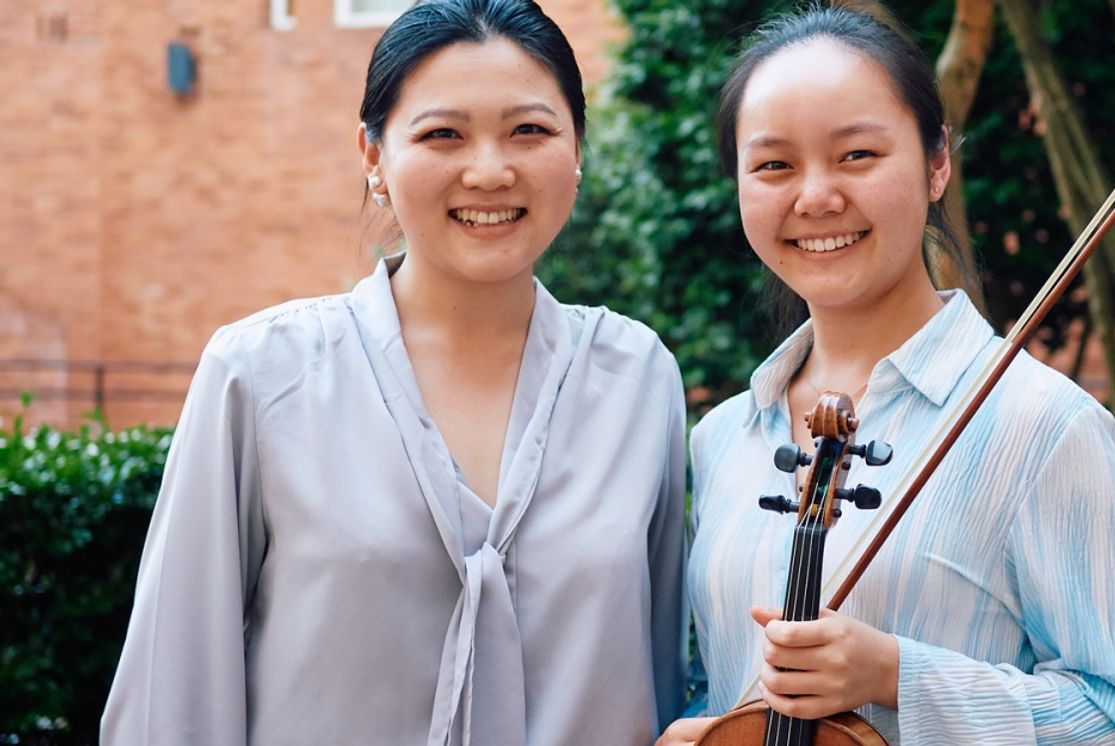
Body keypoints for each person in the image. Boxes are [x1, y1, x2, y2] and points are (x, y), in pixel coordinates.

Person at [102, 2, 685, 744]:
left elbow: (660, 678)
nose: (489, 169)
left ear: (578, 149)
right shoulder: (259, 376)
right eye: (443, 134)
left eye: (529, 130)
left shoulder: (636, 379)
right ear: (374, 156)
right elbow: (172, 690)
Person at [659, 5, 1115, 745]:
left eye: (858, 155)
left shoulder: (1043, 426)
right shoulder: (724, 438)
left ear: (937, 165)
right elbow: (725, 678)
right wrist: (700, 729)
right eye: (774, 165)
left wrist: (899, 675)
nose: (815, 197)